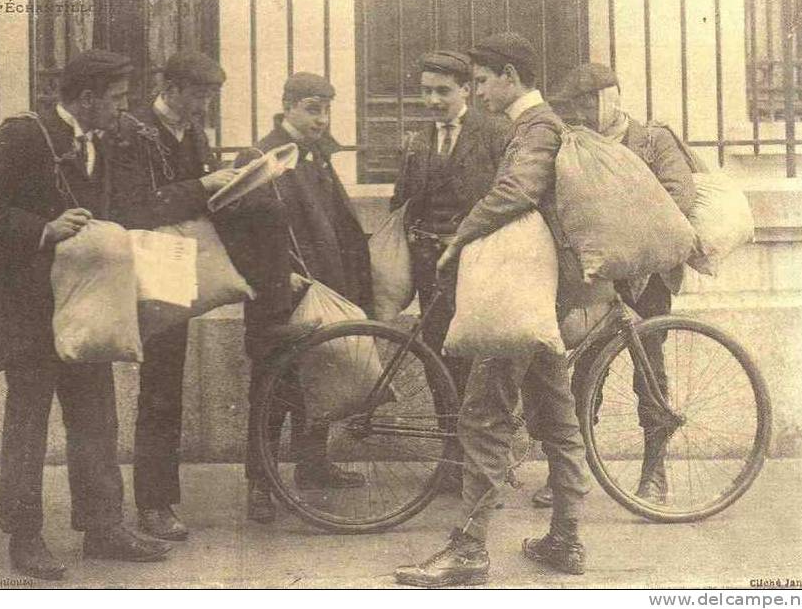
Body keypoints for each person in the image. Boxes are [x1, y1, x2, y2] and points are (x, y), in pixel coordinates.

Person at [0, 50, 172, 581]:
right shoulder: (25, 136)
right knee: (28, 424)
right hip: (30, 308)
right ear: (86, 99)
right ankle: (24, 538)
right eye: (117, 100)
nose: (124, 110)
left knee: (97, 417)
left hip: (85, 302)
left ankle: (102, 527)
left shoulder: (100, 140)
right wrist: (44, 229)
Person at [394, 33, 590, 587]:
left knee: (483, 415)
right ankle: (566, 540)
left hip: (522, 289)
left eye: (480, 81)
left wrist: (461, 237)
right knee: (556, 412)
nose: (476, 92)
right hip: (537, 289)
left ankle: (469, 552)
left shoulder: (537, 127)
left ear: (509, 74)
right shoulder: (539, 125)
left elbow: (517, 190)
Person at [106, 51, 309, 542]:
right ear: (171, 89)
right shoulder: (133, 131)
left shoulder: (192, 131)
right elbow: (136, 207)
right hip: (155, 259)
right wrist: (205, 184)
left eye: (209, 98)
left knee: (166, 380)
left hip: (188, 254)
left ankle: (274, 302)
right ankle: (154, 505)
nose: (203, 106)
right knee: (160, 385)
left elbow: (199, 197)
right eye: (197, 96)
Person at [529, 62, 697, 509]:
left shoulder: (652, 140)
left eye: (590, 100)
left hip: (648, 282)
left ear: (612, 96)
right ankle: (567, 474)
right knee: (582, 373)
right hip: (593, 278)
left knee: (650, 375)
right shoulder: (575, 146)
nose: (582, 111)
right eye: (575, 103)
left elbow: (678, 196)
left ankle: (654, 474)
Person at [241, 72, 374, 524]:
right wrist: (283, 275)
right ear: (287, 106)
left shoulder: (318, 155)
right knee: (272, 389)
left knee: (316, 380)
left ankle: (312, 466)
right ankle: (260, 483)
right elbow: (247, 233)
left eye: (326, 109)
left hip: (322, 287)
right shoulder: (263, 156)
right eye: (312, 108)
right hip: (279, 294)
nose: (321, 118)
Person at [391, 50, 512, 494]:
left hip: (478, 268)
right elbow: (401, 203)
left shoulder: (496, 134)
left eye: (443, 91)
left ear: (466, 90)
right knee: (438, 363)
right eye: (426, 91)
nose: (433, 101)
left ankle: (483, 466)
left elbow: (507, 201)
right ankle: (450, 460)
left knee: (480, 365)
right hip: (430, 272)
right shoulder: (417, 141)